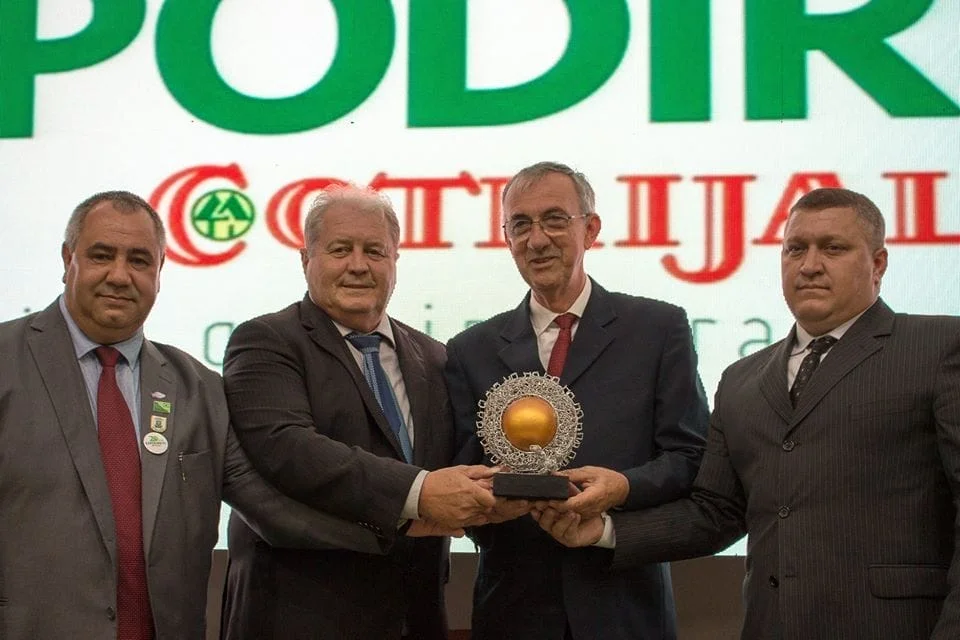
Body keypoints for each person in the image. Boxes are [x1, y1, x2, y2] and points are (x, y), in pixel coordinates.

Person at [534, 187, 960, 639]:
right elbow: (715, 513)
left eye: (833, 248)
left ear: (878, 264)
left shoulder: (938, 348)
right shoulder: (742, 379)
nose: (810, 264)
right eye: (795, 249)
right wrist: (602, 530)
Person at [0, 190, 393, 640]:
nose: (119, 275)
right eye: (101, 256)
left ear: (160, 272)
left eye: (140, 260)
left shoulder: (198, 388)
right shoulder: (5, 362)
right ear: (68, 259)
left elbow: (272, 509)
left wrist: (402, 522)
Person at [444, 161, 709, 639]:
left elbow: (691, 458)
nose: (537, 238)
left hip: (625, 609)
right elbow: (465, 472)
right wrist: (488, 508)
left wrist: (622, 488)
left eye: (554, 219)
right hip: (513, 614)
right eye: (520, 224)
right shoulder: (471, 350)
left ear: (591, 229)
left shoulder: (657, 329)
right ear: (506, 239)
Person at [220, 185, 497, 640]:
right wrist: (419, 492)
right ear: (305, 258)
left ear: (394, 261)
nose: (358, 265)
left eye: (375, 251)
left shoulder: (434, 356)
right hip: (300, 617)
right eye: (340, 249)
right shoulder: (266, 341)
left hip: (416, 614)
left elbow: (460, 463)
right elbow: (288, 449)